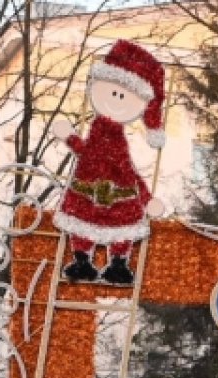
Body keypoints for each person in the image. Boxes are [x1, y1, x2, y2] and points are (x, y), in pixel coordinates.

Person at [51, 39, 167, 285]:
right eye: (111, 88)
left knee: (110, 228)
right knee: (84, 225)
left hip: (116, 199)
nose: (115, 96)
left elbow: (127, 171)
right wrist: (70, 137)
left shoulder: (113, 140)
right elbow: (89, 154)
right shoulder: (98, 132)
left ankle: (115, 263)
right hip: (90, 195)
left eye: (124, 93)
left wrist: (146, 199)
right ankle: (87, 261)